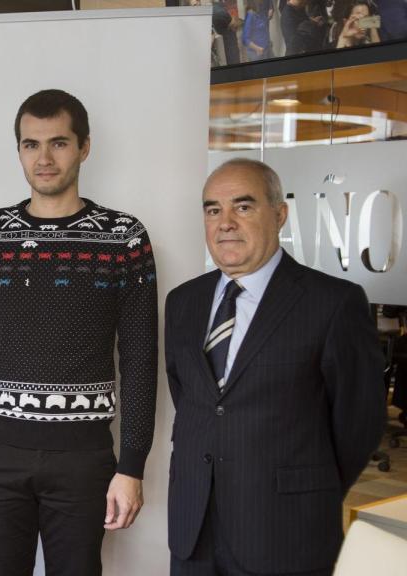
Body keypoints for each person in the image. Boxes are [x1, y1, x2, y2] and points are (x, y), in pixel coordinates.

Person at [0, 89, 159, 575]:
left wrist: (132, 465)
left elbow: (141, 359)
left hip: (83, 458)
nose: (43, 158)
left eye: (58, 143)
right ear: (18, 149)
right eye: (30, 144)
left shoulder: (123, 238)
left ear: (84, 147)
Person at [166, 159, 386, 575]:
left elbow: (361, 420)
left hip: (287, 531)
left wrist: (309, 489)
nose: (225, 222)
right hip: (193, 529)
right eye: (213, 209)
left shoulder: (332, 302)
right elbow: (192, 398)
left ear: (280, 214)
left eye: (243, 207)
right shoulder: (183, 302)